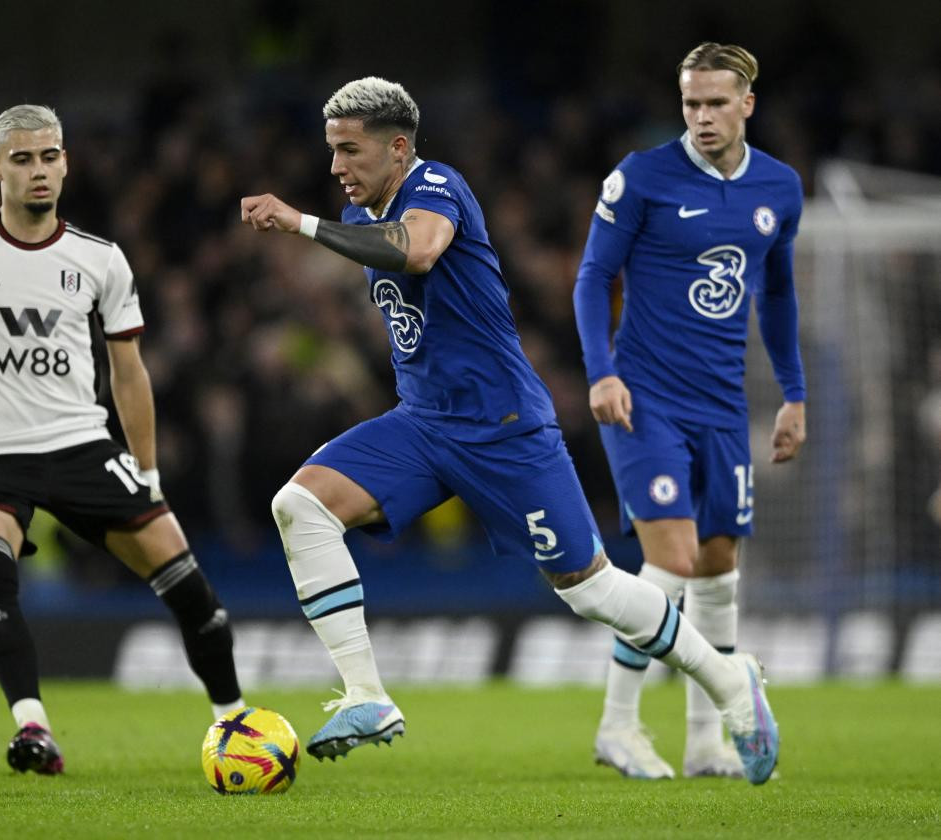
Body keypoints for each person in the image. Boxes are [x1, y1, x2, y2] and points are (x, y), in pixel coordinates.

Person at [242, 76, 779, 784]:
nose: (337, 166)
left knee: (587, 587)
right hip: (424, 423)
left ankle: (728, 680)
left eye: (351, 150)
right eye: (331, 151)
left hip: (503, 430)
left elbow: (420, 251)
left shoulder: (435, 186)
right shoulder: (376, 210)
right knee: (299, 504)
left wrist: (303, 224)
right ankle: (368, 695)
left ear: (398, 149)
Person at [0, 104, 244, 775]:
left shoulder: (101, 259)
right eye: (23, 159)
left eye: (50, 156)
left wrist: (145, 469)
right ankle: (33, 729)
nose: (39, 171)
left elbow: (128, 371)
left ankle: (234, 723)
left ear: (66, 163)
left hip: (83, 446)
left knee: (195, 596)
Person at [573, 43, 806, 780]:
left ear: (746, 105)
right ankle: (618, 725)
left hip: (722, 407)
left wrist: (794, 394)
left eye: (715, 103)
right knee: (669, 560)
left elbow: (777, 296)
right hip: (646, 401)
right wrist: (602, 373)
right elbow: (591, 279)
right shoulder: (642, 176)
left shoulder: (780, 187)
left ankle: (706, 742)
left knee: (716, 569)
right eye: (690, 104)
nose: (701, 117)